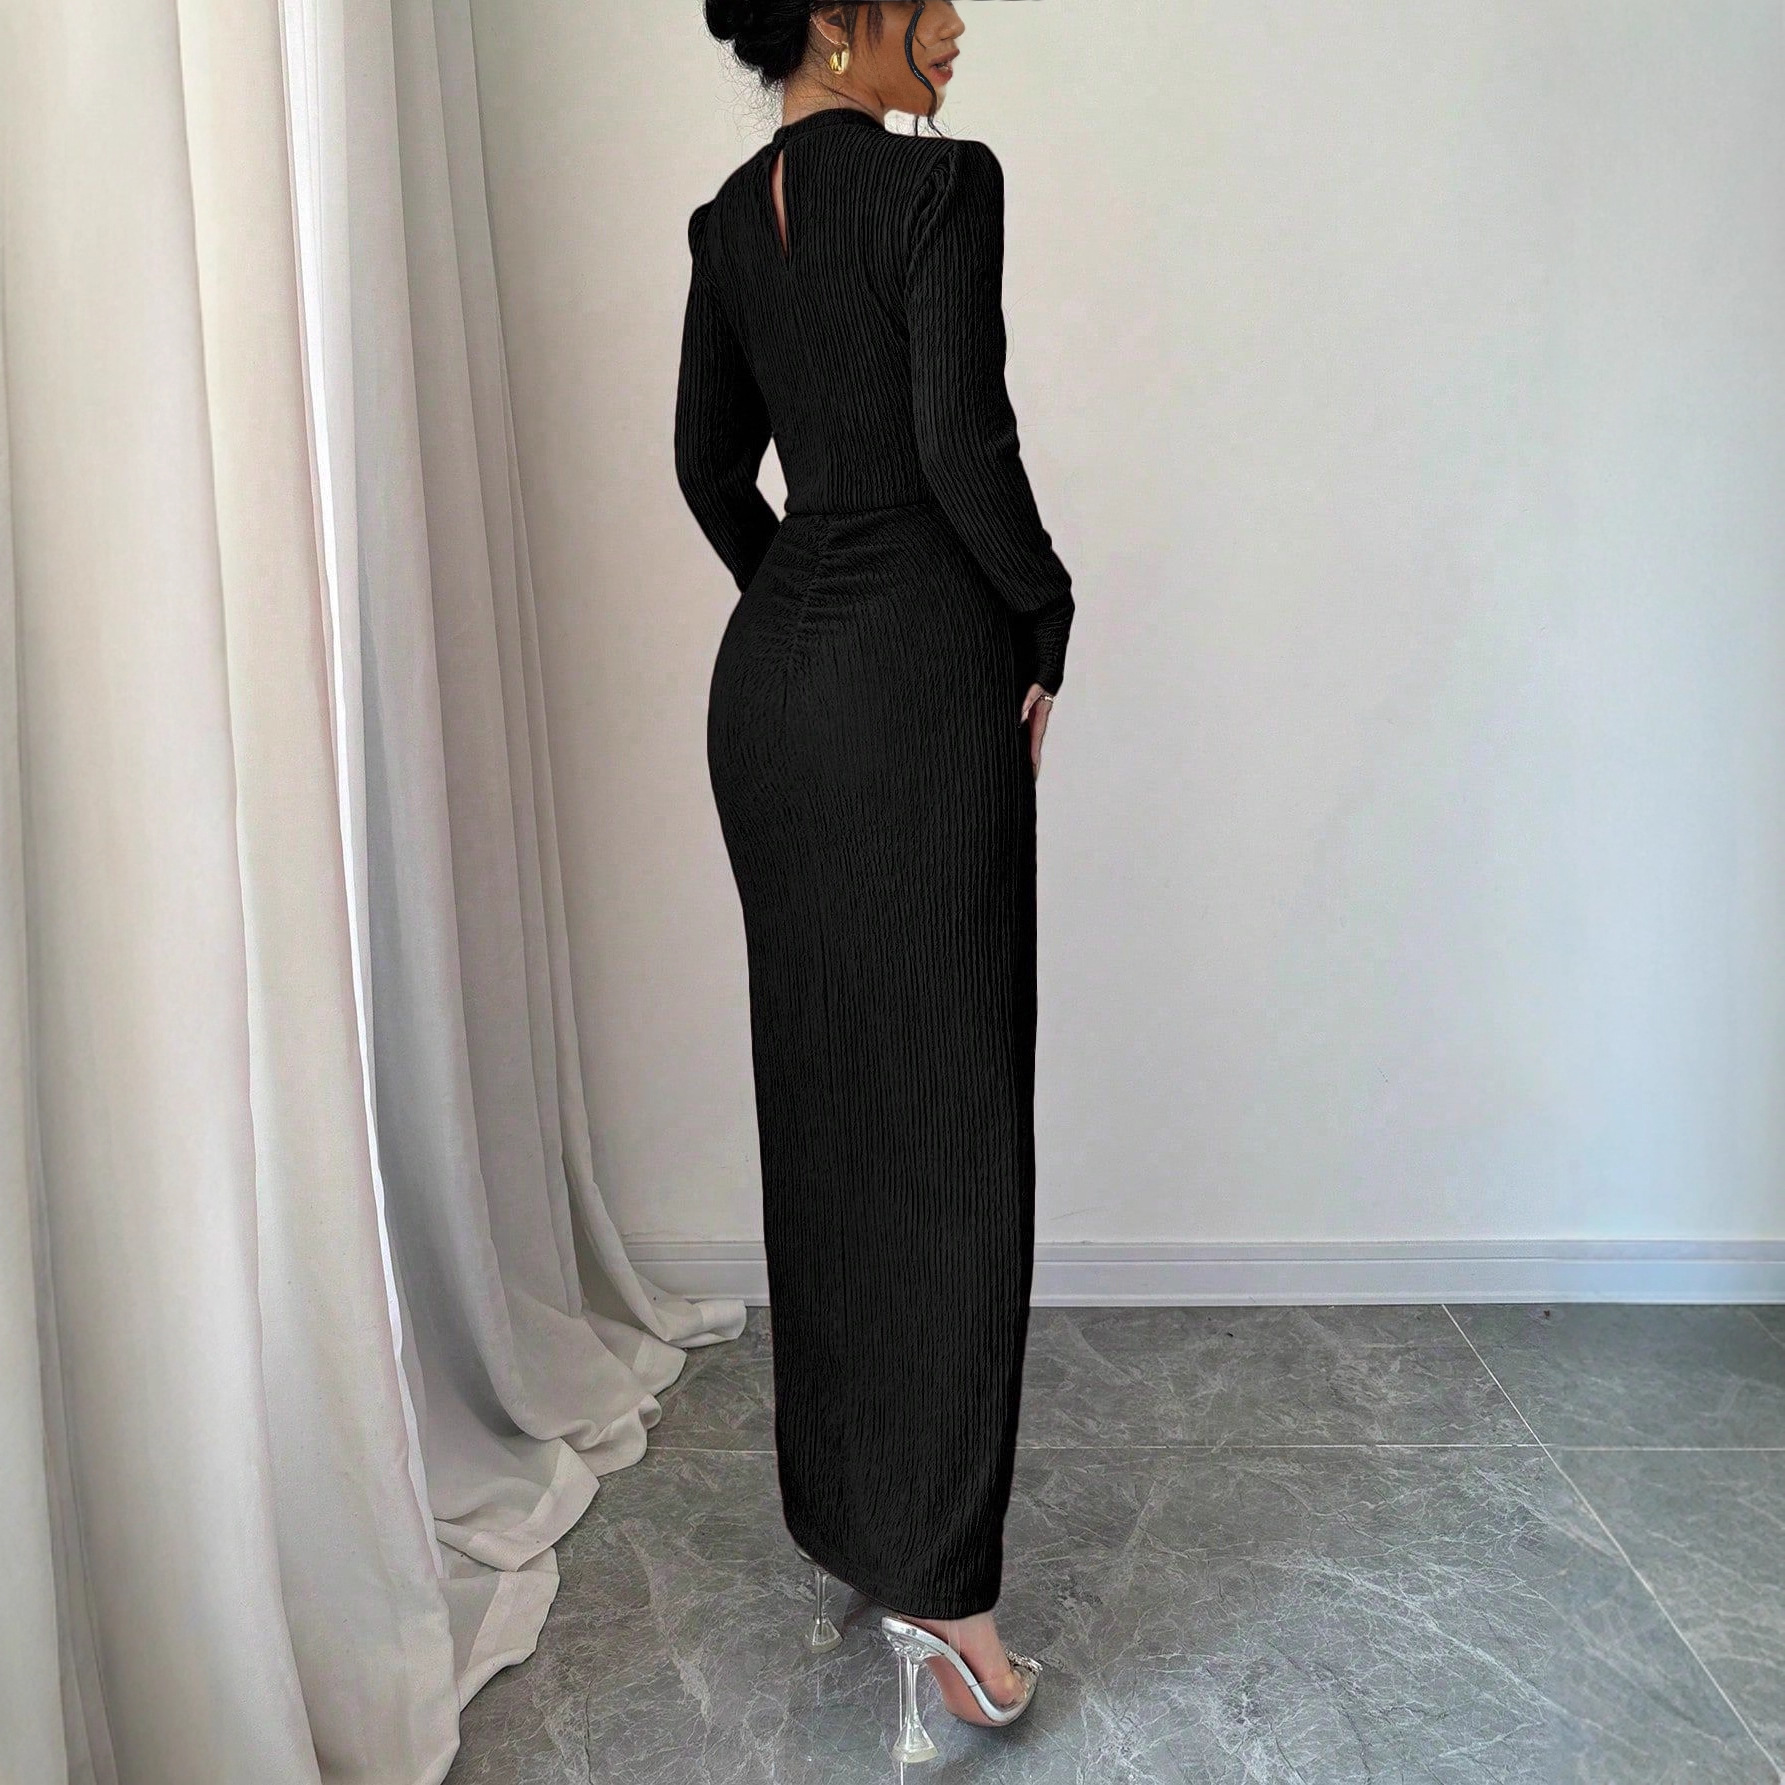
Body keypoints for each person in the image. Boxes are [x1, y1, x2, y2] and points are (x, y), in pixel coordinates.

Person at [675, 0, 1076, 1755]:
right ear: (839, 21)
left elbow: (707, 467)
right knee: (953, 1124)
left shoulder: (723, 220)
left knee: (831, 1098)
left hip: (772, 693)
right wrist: (1041, 613)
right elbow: (960, 445)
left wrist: (807, 597)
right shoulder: (938, 190)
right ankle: (951, 1600)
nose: (957, 26)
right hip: (918, 684)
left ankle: (855, 1515)